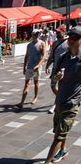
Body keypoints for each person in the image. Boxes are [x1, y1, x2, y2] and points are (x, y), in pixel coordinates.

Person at [40, 26, 81, 164]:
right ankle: (63, 151)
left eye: (75, 38)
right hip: (60, 101)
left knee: (58, 136)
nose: (71, 40)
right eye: (70, 37)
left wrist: (77, 99)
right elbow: (55, 76)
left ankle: (47, 162)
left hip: (71, 104)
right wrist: (57, 78)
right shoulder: (64, 57)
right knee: (58, 131)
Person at [17, 31, 47, 109]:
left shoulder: (42, 43)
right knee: (27, 84)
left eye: (38, 34)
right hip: (29, 67)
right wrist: (24, 67)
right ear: (32, 35)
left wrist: (38, 65)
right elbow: (26, 56)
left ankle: (35, 96)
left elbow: (44, 56)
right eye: (36, 34)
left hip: (37, 67)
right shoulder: (29, 45)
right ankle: (22, 102)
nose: (37, 35)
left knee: (36, 83)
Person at [46, 30, 69, 114]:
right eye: (57, 32)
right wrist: (47, 66)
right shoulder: (55, 43)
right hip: (55, 68)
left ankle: (55, 104)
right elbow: (51, 55)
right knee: (52, 86)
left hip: (63, 69)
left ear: (64, 33)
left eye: (60, 32)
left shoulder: (68, 42)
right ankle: (60, 98)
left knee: (61, 86)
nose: (58, 34)